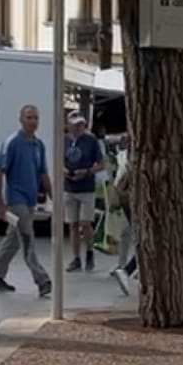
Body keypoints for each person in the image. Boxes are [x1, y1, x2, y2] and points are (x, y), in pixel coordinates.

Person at [0, 104, 52, 298]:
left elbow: (43, 173)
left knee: (13, 240)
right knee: (27, 238)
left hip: (31, 199)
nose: (33, 121)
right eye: (29, 118)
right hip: (16, 199)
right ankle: (42, 280)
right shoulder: (12, 142)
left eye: (36, 118)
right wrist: (0, 201)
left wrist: (53, 196)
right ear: (21, 120)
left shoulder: (38, 145)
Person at [63, 113, 104, 273]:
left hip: (86, 187)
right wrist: (64, 170)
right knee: (73, 224)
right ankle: (76, 258)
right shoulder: (64, 141)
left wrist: (87, 171)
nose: (78, 128)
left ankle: (89, 252)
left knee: (85, 223)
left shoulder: (91, 141)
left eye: (81, 125)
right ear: (69, 126)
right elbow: (58, 159)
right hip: (69, 186)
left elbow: (101, 164)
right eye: (75, 125)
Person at [109, 135, 137, 297]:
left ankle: (128, 270)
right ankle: (126, 270)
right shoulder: (131, 164)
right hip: (135, 207)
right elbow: (120, 186)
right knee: (146, 243)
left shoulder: (130, 163)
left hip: (133, 206)